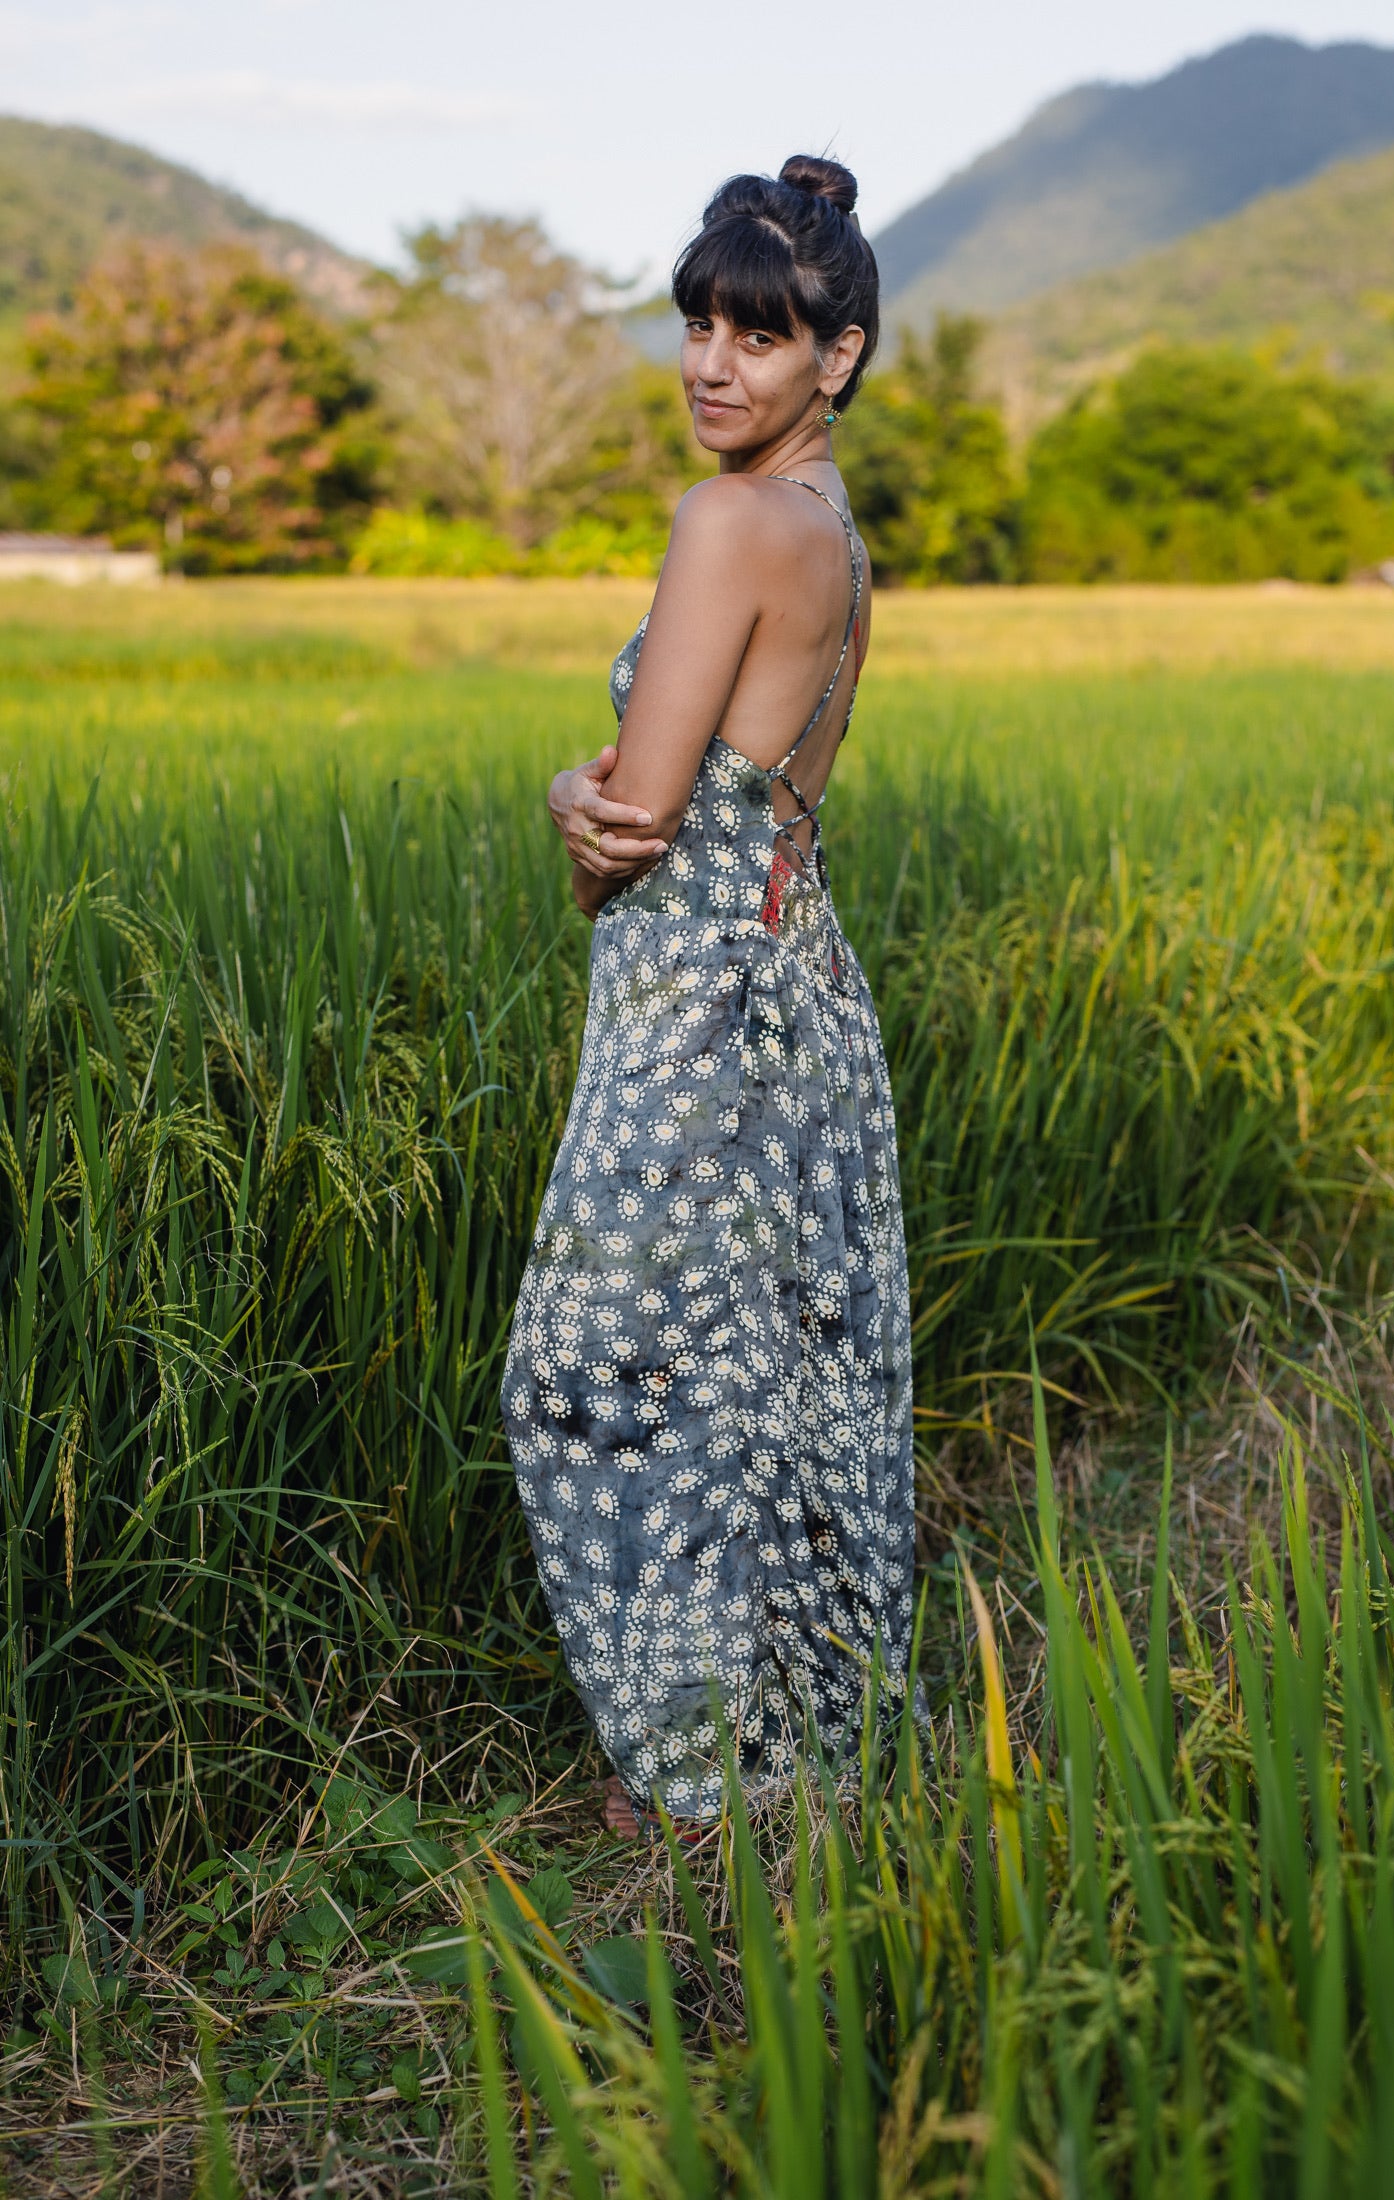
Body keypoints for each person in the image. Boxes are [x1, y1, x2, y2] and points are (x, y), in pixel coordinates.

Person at [500, 154, 914, 1838]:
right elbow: (757, 792)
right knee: (762, 1368)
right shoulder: (835, 535)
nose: (711, 364)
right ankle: (781, 1753)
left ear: (839, 354)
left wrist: (567, 804)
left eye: (759, 333)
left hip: (692, 1002)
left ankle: (693, 1771)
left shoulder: (726, 520)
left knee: (587, 1370)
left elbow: (636, 824)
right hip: (797, 983)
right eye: (697, 326)